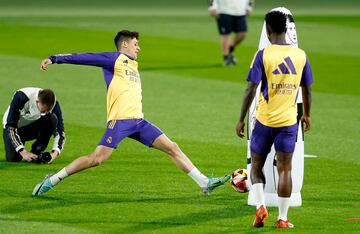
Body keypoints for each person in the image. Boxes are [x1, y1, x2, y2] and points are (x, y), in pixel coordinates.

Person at [32, 30, 230, 196]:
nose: (139, 47)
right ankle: (52, 180)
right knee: (97, 159)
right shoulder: (114, 59)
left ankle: (204, 183)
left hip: (138, 122)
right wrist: (54, 59)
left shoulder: (133, 65)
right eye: (136, 44)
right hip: (120, 122)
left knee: (172, 147)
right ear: (124, 44)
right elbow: (85, 57)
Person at [235, 11, 313, 228]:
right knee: (285, 169)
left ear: (268, 29)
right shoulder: (300, 55)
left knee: (257, 166)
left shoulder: (263, 54)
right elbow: (306, 90)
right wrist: (306, 114)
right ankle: (283, 218)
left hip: (264, 121)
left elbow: (251, 88)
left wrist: (241, 118)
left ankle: (260, 206)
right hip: (288, 122)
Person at [3, 87, 65, 163]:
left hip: (32, 126)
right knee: (13, 159)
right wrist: (23, 152)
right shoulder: (21, 97)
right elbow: (10, 127)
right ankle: (20, 147)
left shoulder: (54, 103)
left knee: (52, 118)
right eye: (44, 110)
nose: (45, 112)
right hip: (13, 128)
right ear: (37, 102)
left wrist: (53, 155)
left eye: (48, 110)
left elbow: (60, 131)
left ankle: (37, 151)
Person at [208, 0, 255, 66]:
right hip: (224, 11)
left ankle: (230, 49)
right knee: (226, 35)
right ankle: (226, 58)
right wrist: (212, 7)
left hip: (240, 11)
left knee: (242, 34)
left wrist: (249, 7)